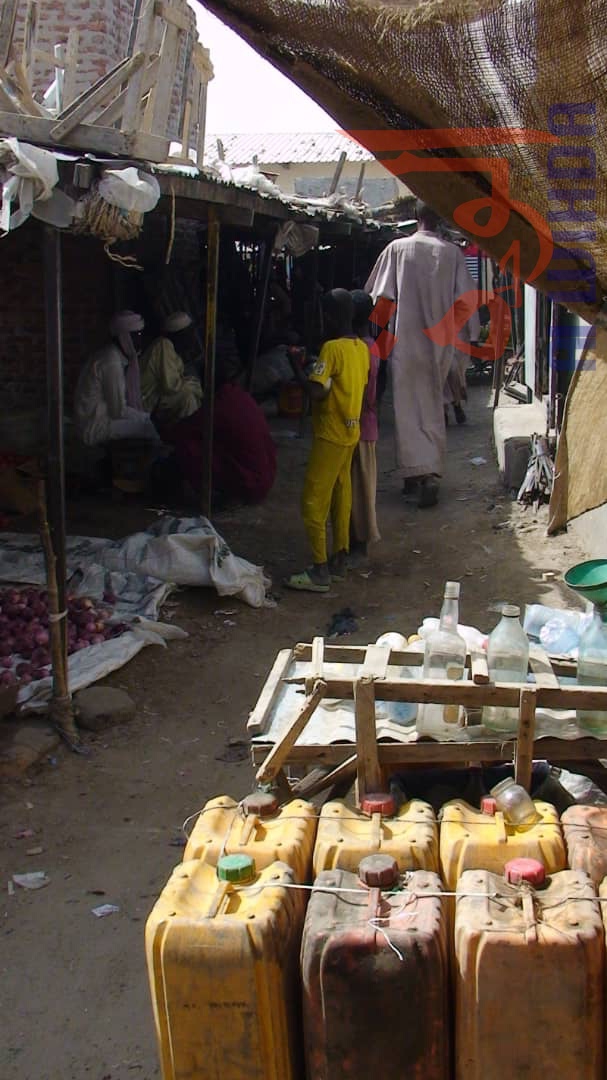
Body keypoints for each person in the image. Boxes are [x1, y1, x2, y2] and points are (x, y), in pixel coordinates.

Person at [365, 200, 479, 507]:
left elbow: (382, 300)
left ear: (415, 216)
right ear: (439, 218)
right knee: (432, 405)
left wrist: (377, 346)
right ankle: (430, 472)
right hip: (439, 347)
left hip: (404, 344)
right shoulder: (452, 253)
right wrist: (458, 338)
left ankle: (413, 474)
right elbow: (467, 302)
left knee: (406, 409)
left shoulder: (397, 249)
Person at [285, 289, 369, 593]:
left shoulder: (331, 349)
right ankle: (339, 559)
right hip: (351, 432)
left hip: (330, 435)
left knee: (313, 501)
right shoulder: (361, 348)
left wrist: (296, 367)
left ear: (330, 317)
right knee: (341, 496)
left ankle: (319, 569)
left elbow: (317, 391)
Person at [170, 355, 277, 506]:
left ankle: (217, 495)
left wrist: (159, 427)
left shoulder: (219, 404)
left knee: (187, 446)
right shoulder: (240, 395)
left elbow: (182, 431)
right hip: (266, 476)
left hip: (252, 484)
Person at [74, 310, 159, 447]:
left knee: (148, 423)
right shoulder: (111, 361)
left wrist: (146, 418)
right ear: (124, 337)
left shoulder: (111, 355)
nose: (140, 340)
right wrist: (148, 418)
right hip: (94, 427)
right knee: (150, 429)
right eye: (136, 335)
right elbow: (118, 411)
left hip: (100, 419)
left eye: (141, 335)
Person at [349, 289, 381, 562]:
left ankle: (359, 544)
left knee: (360, 488)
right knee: (358, 486)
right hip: (365, 423)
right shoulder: (370, 345)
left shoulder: (363, 349)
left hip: (360, 424)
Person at [139, 311, 203, 425]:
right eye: (190, 333)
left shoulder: (172, 349)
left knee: (190, 395)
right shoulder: (163, 345)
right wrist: (194, 385)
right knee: (187, 396)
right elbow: (171, 386)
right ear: (180, 335)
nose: (193, 337)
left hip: (157, 397)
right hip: (146, 402)